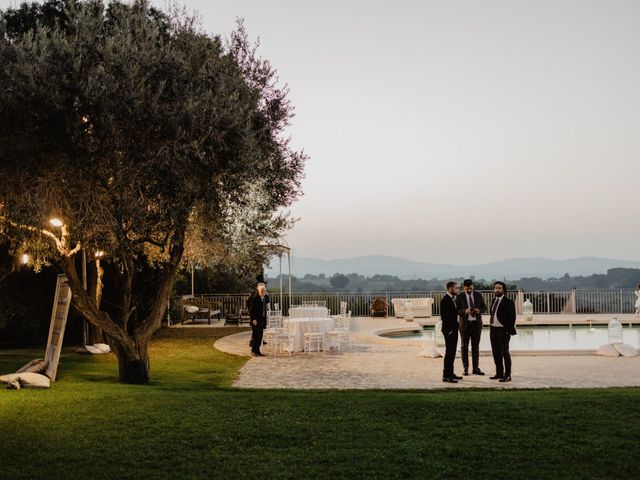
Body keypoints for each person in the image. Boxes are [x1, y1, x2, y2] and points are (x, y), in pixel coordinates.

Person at [456, 279, 487, 375]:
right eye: (467, 289)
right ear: (464, 287)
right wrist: (465, 311)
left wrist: (479, 310)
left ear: (473, 286)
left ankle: (476, 368)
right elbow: (456, 311)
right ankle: (465, 369)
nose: (469, 290)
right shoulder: (459, 296)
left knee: (475, 347)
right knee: (464, 347)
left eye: (471, 288)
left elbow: (484, 308)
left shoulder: (478, 295)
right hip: (465, 325)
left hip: (476, 324)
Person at [488, 281, 517, 382]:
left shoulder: (508, 302)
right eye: (495, 288)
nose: (497, 290)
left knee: (505, 353)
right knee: (496, 353)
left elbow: (512, 318)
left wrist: (507, 330)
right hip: (493, 329)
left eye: (499, 288)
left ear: (503, 290)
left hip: (503, 331)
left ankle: (507, 375)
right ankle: (499, 373)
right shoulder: (493, 301)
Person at [440, 281, 462, 383]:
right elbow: (445, 317)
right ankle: (446, 375)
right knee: (449, 353)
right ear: (450, 289)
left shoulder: (453, 299)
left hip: (453, 329)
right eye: (455, 288)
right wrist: (449, 330)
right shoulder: (445, 300)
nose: (457, 289)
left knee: (452, 352)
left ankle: (451, 373)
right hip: (449, 330)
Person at [249, 283, 269, 357]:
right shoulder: (254, 298)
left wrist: (265, 294)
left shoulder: (264, 298)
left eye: (264, 291)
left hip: (262, 319)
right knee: (255, 336)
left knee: (260, 336)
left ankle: (258, 351)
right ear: (259, 291)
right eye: (262, 291)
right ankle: (253, 351)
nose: (263, 293)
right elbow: (251, 310)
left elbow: (267, 299)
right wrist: (253, 319)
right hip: (255, 320)